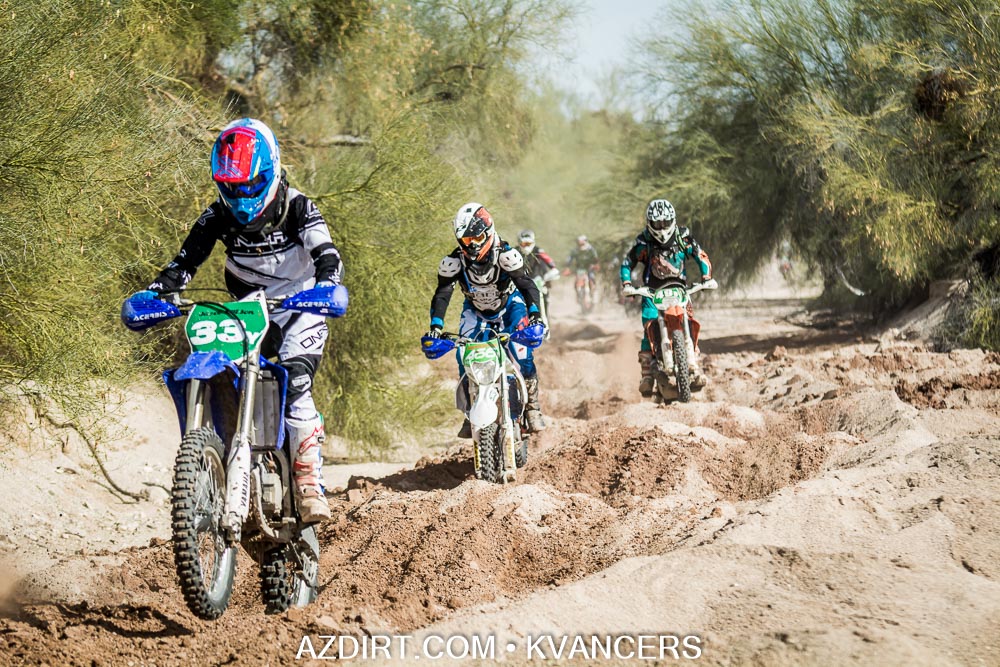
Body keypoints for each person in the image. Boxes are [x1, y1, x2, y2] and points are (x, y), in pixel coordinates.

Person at [141, 118, 342, 523]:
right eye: (233, 188)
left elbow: (327, 255)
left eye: (252, 185)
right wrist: (155, 293)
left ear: (273, 170)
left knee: (296, 383)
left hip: (299, 306)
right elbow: (184, 263)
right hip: (247, 309)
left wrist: (327, 287)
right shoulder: (217, 215)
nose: (244, 197)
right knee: (224, 375)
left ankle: (308, 483)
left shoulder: (298, 207)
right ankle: (218, 460)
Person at [427, 203, 547, 436]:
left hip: (510, 306)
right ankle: (470, 411)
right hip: (475, 311)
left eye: (477, 238)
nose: (473, 245)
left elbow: (527, 286)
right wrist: (436, 327)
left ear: (489, 231)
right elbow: (442, 294)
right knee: (463, 355)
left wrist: (535, 317)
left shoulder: (507, 256)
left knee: (522, 353)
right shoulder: (453, 262)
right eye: (467, 240)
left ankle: (533, 406)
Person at [620, 198, 714, 397]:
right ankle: (646, 373)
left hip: (679, 289)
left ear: (673, 220)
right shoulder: (644, 242)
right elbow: (628, 262)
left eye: (665, 222)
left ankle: (694, 365)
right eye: (657, 223)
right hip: (651, 292)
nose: (662, 228)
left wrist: (706, 277)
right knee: (649, 325)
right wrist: (627, 283)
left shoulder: (683, 238)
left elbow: (700, 255)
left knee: (689, 320)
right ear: (649, 223)